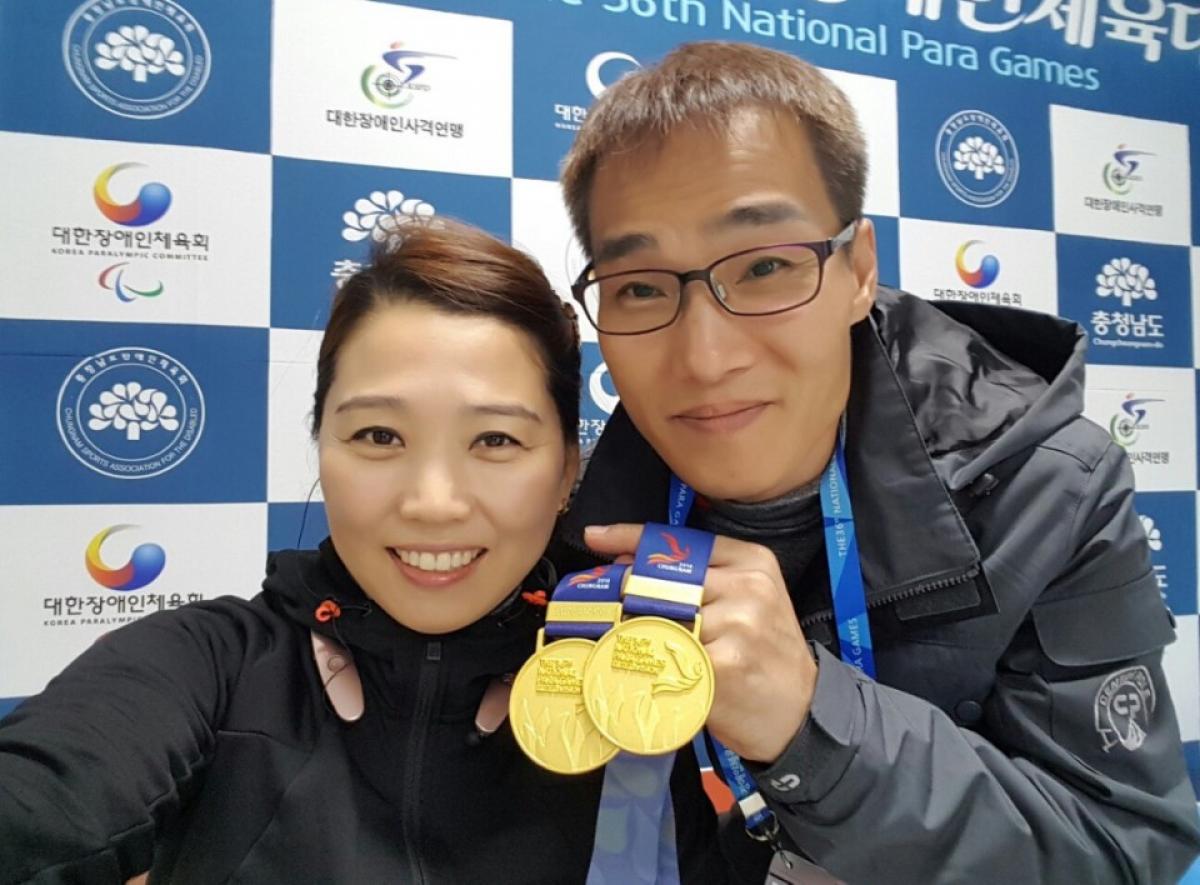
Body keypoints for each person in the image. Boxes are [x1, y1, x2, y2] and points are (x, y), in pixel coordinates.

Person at [553, 41, 1200, 883]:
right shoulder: (575, 516)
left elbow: (1125, 851)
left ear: (858, 271)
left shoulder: (1047, 485)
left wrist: (815, 725)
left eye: (764, 267)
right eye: (639, 286)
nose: (704, 358)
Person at [0, 221, 730, 883]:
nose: (433, 501)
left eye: (496, 440)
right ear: (322, 442)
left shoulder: (634, 691)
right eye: (379, 435)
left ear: (568, 467)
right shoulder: (210, 664)